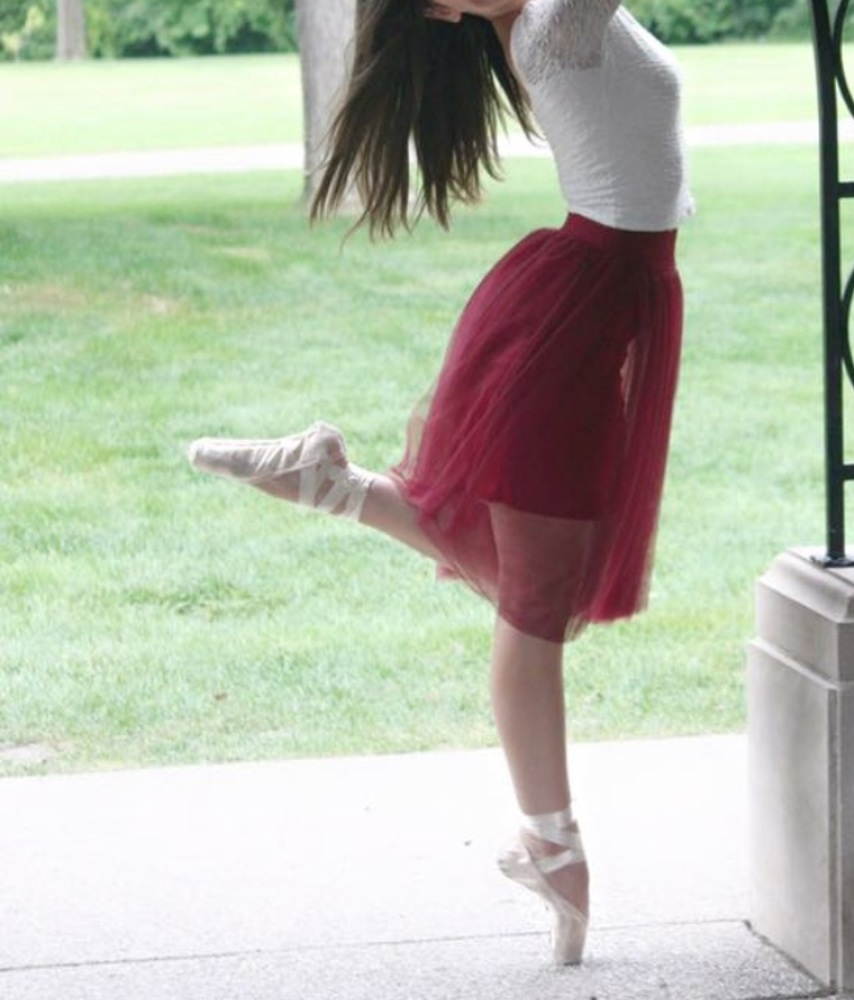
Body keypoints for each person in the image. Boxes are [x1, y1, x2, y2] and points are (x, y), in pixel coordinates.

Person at [188, 0, 691, 966]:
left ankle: (333, 483)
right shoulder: (553, 29)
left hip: (599, 302)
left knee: (533, 578)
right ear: (444, 9)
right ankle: (552, 841)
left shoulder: (545, 20)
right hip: (577, 314)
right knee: (537, 604)